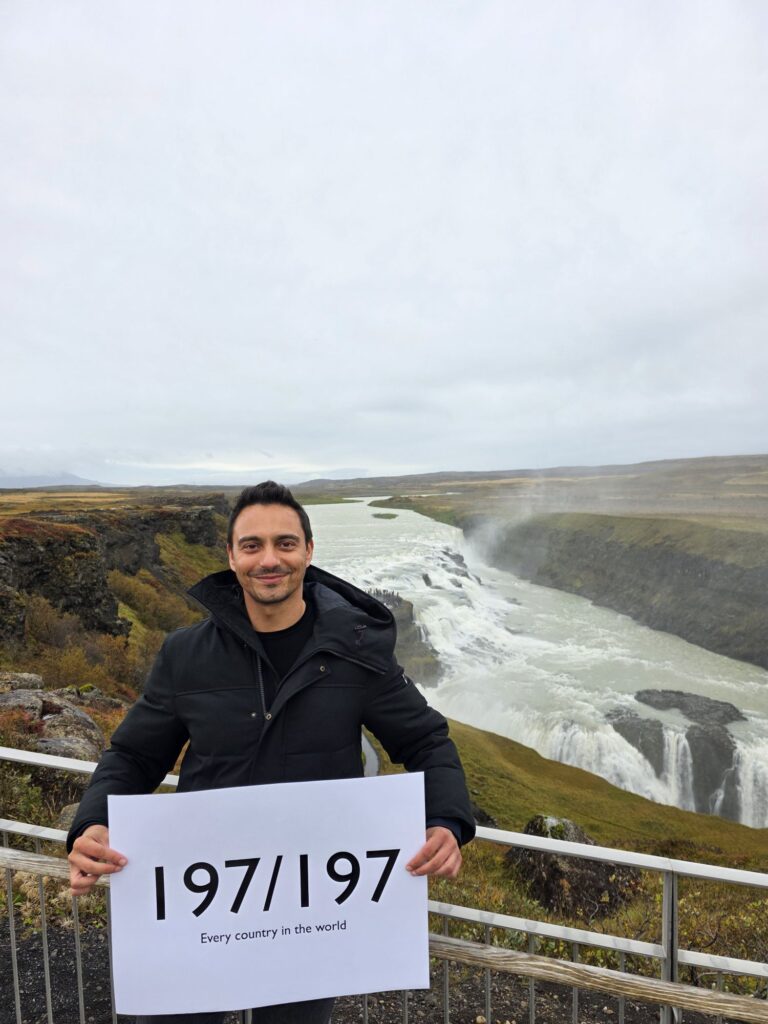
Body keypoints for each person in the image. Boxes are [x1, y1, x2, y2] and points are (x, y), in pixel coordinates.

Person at [67, 481, 475, 1024]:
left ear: (308, 550)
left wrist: (445, 820)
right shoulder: (185, 656)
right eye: (252, 545)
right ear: (231, 556)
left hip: (312, 907)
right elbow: (134, 757)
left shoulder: (356, 653)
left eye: (285, 543)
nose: (269, 559)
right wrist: (93, 821)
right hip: (200, 899)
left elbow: (426, 740)